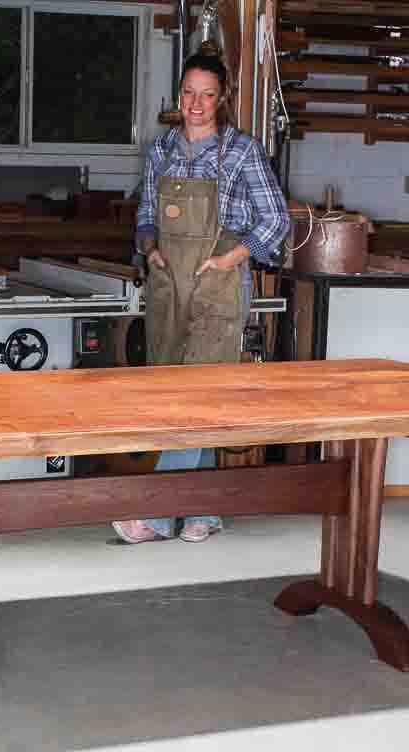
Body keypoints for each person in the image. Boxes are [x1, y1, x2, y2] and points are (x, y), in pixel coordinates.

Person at [113, 44, 291, 545]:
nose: (196, 104)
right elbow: (146, 216)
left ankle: (156, 513)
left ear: (222, 98)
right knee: (181, 393)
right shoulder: (162, 150)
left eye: (206, 95)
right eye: (189, 93)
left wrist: (230, 259)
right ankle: (205, 510)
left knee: (192, 396)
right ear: (179, 96)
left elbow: (276, 219)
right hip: (169, 284)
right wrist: (149, 250)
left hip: (218, 284)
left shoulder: (242, 151)